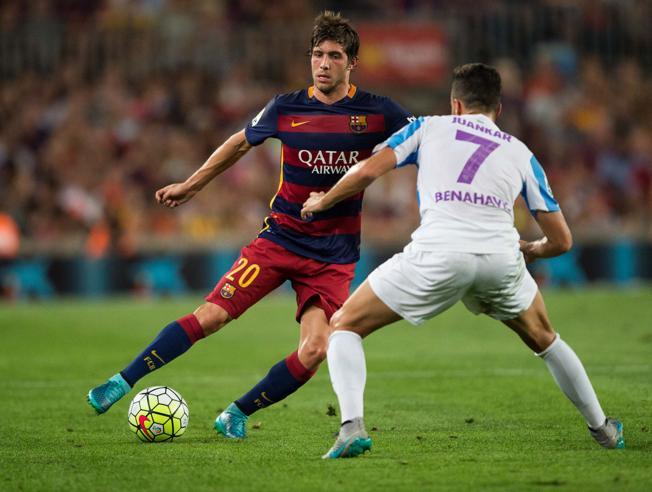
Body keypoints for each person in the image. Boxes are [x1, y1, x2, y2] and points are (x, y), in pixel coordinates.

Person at [87, 11, 414, 440]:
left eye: (335, 56)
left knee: (316, 348)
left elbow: (425, 140)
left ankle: (236, 413)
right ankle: (120, 381)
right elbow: (240, 143)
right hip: (279, 241)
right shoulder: (286, 107)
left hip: (333, 257)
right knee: (211, 316)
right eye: (317, 54)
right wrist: (191, 184)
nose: (324, 64)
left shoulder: (378, 112)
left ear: (352, 62)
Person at [301, 63, 623, 458]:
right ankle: (603, 428)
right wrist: (532, 249)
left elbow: (368, 171)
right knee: (545, 338)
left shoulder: (428, 127)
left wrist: (324, 200)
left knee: (344, 325)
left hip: (439, 253)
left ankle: (352, 427)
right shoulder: (520, 152)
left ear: (455, 104)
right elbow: (563, 241)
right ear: (498, 109)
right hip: (499, 257)